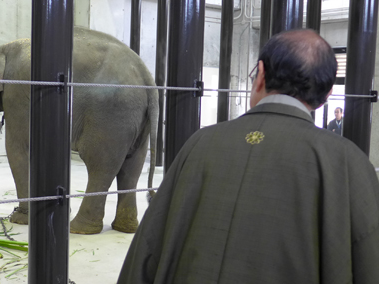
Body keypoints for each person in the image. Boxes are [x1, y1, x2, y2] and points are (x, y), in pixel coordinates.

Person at [118, 29, 379, 284]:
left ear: (260, 74)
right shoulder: (348, 162)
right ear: (327, 95)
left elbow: (148, 247)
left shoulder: (200, 143)